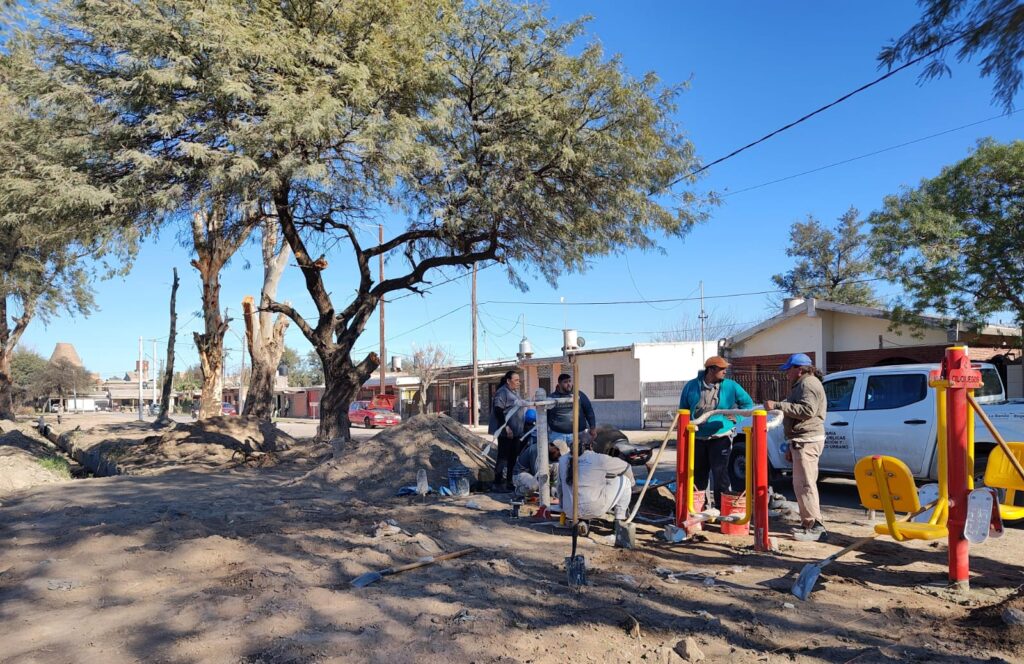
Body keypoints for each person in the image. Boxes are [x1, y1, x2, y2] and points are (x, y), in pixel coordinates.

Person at [766, 353, 828, 542]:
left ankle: (815, 526)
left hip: (807, 440)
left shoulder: (807, 384)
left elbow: (808, 410)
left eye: (789, 370)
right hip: (801, 440)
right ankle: (808, 522)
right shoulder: (804, 383)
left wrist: (778, 405)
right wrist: (791, 446)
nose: (787, 374)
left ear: (799, 369)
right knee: (800, 484)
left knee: (806, 484)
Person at [678, 356, 754, 510]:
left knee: (720, 474)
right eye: (722, 369)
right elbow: (683, 410)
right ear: (711, 369)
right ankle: (699, 509)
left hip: (721, 435)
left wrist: (736, 417)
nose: (725, 371)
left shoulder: (731, 386)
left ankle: (722, 509)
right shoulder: (691, 386)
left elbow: (748, 404)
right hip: (697, 436)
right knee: (698, 474)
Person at [558, 436, 636, 522]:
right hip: (595, 509)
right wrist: (632, 486)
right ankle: (619, 520)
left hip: (570, 511)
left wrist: (563, 506)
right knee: (625, 481)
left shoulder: (562, 460)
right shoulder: (599, 459)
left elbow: (560, 487)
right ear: (591, 446)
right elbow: (626, 467)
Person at [488, 370, 525, 491]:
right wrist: (506, 427)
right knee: (503, 457)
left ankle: (509, 482)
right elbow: (498, 411)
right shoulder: (502, 392)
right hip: (506, 432)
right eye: (516, 380)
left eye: (519, 380)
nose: (518, 382)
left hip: (516, 432)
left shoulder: (514, 392)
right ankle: (497, 483)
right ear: (508, 381)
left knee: (513, 457)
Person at [548, 373, 597, 446]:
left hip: (578, 434)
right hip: (558, 436)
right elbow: (546, 415)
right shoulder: (552, 398)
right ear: (559, 384)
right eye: (565, 382)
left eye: (570, 381)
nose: (569, 384)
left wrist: (592, 427)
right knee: (558, 457)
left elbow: (589, 411)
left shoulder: (579, 395)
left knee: (579, 456)